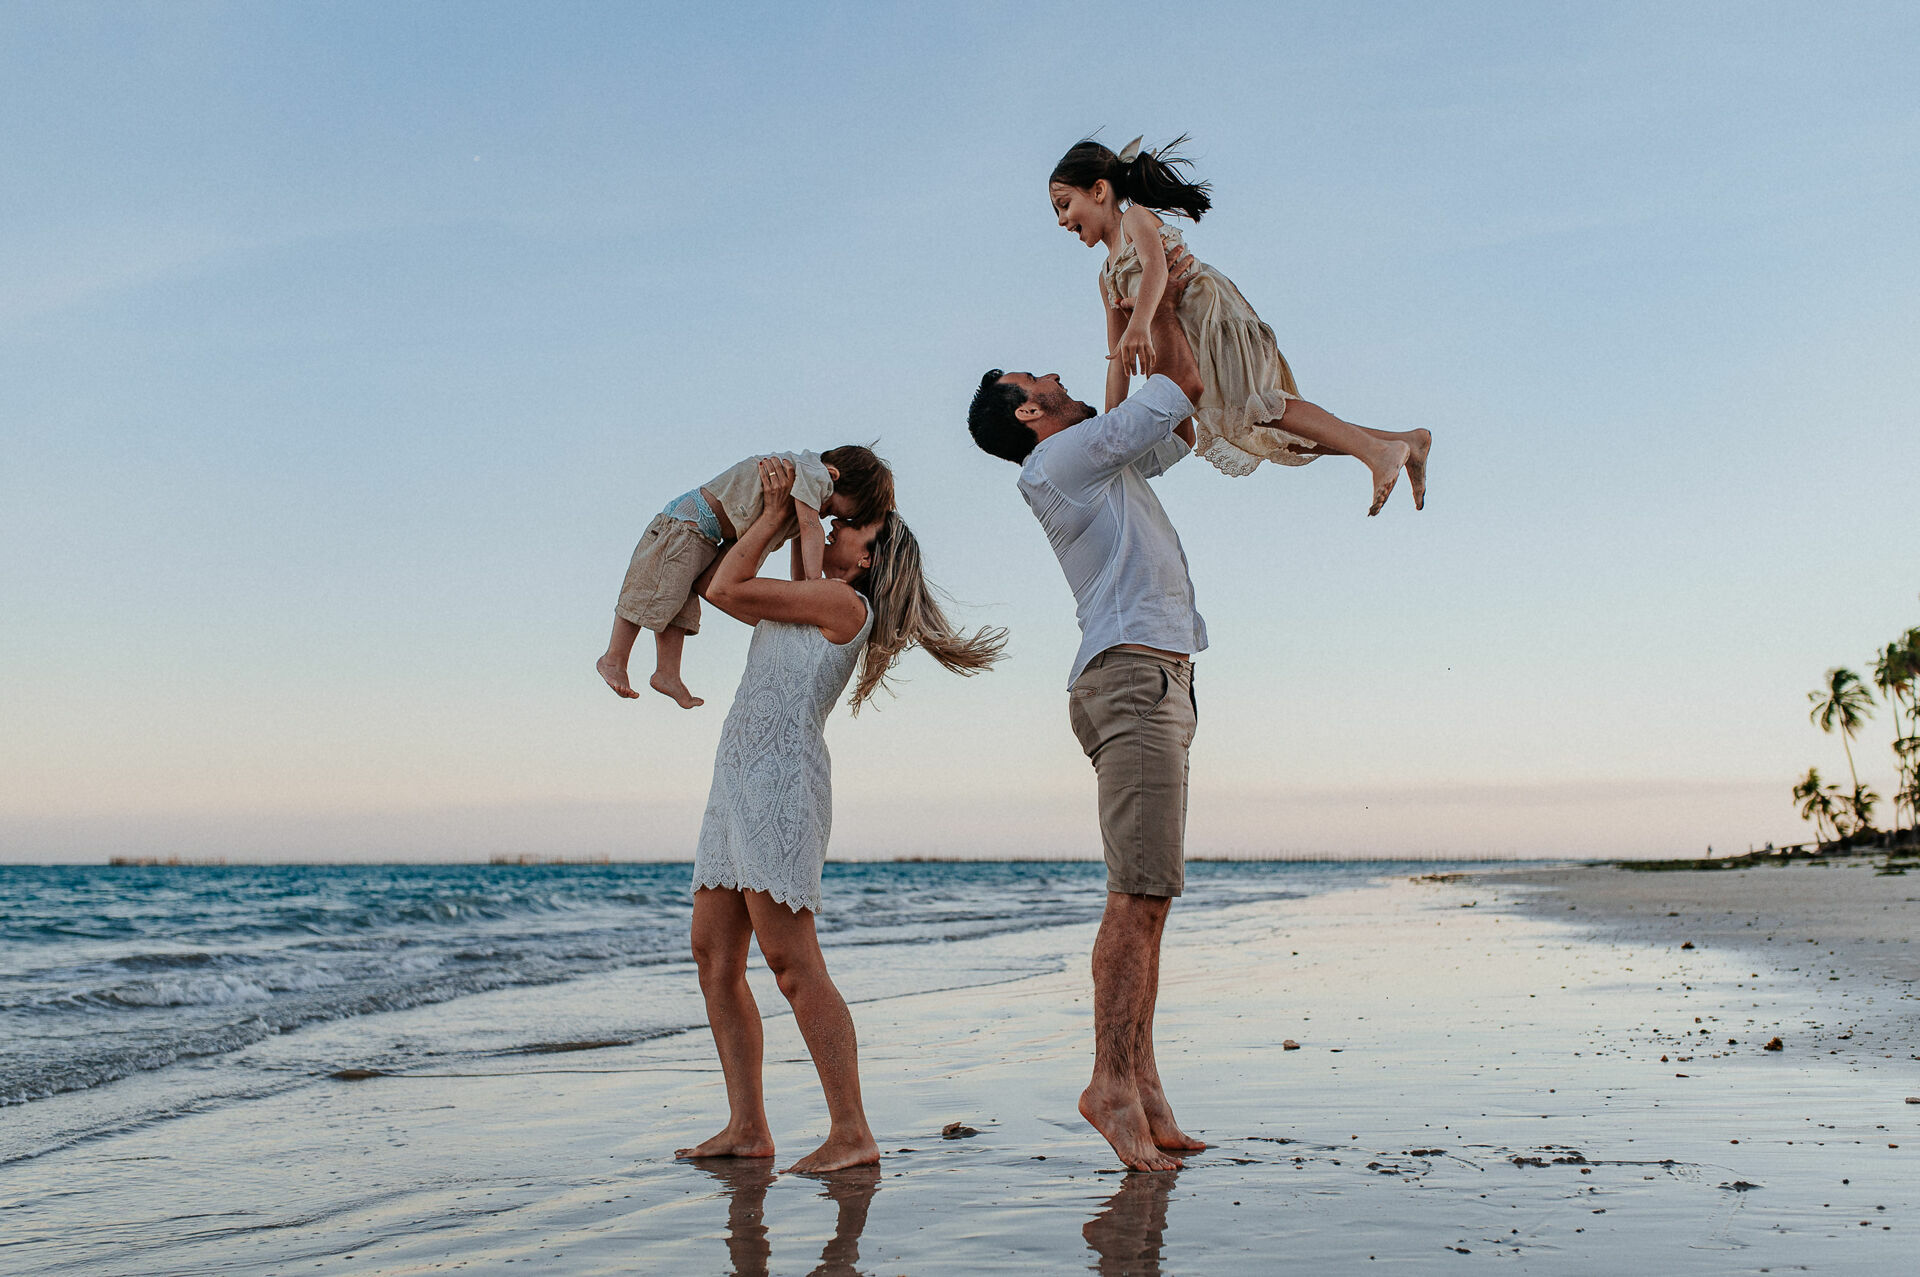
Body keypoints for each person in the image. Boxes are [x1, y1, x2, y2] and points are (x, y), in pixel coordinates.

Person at [676, 457, 1005, 1173]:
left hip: (779, 786)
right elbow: (745, 579)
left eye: (853, 526)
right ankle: (747, 1125)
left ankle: (851, 1129)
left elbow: (724, 584)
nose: (836, 527)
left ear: (870, 560)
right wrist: (792, 513)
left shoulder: (841, 605)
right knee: (713, 953)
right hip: (735, 779)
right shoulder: (812, 589)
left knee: (793, 964)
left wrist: (772, 511)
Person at [966, 257, 1210, 1173]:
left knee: (1150, 900)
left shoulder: (1088, 458)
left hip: (1152, 675)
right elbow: (1178, 383)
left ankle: (1141, 1084)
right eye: (1037, 379)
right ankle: (1110, 1082)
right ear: (1028, 414)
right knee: (1137, 896)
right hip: (1133, 676)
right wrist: (1162, 301)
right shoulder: (1062, 459)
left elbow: (1170, 422)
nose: (1053, 375)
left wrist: (1124, 319)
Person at [1048, 134, 1432, 515]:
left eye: (1065, 205)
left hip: (1213, 322)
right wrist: (1111, 429)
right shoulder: (1107, 277)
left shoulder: (1134, 219)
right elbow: (1117, 358)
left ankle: (1377, 454)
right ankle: (1403, 443)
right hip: (1193, 347)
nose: (1063, 220)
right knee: (1267, 432)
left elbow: (1157, 268)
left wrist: (1141, 322)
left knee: (1264, 408)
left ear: (1099, 191)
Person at [595, 445, 894, 708]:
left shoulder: (808, 491)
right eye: (837, 509)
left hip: (704, 535)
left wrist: (808, 587)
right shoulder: (815, 477)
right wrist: (814, 583)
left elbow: (802, 549)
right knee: (647, 591)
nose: (828, 518)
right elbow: (809, 530)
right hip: (688, 521)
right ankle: (614, 658)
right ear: (834, 476)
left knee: (674, 601)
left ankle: (667, 673)